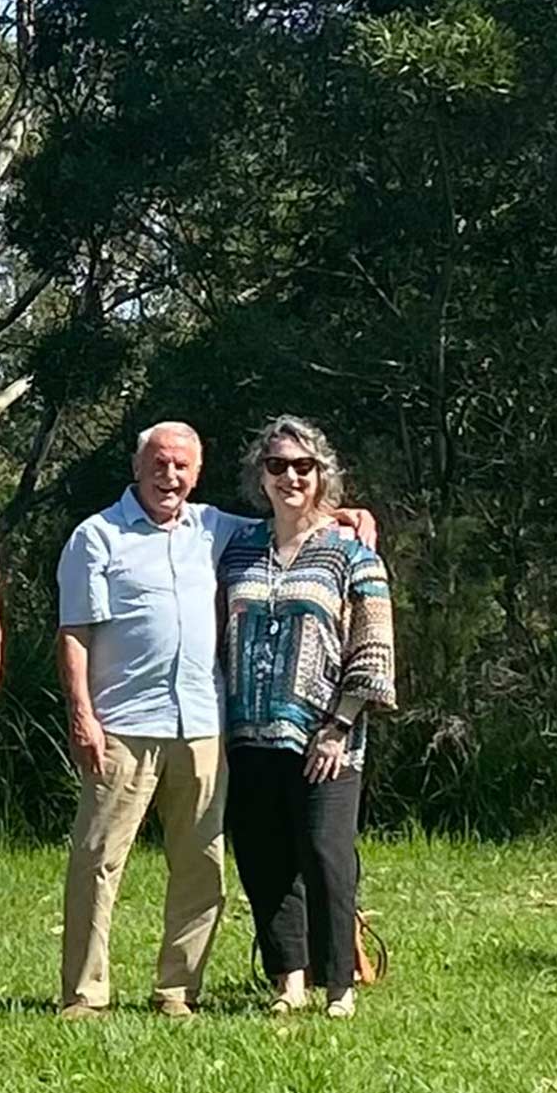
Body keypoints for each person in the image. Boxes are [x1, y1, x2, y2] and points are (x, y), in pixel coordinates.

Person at [56, 422, 372, 1021]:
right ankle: (84, 994)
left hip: (203, 724)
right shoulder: (96, 536)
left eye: (181, 465)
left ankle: (178, 989)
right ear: (137, 465)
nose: (168, 475)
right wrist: (82, 715)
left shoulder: (217, 530)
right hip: (123, 723)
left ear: (196, 474)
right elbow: (74, 633)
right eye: (158, 463)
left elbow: (296, 519)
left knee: (202, 865)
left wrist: (347, 513)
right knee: (97, 860)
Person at [217, 416, 395, 1020]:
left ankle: (339, 984)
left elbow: (373, 646)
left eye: (302, 466)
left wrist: (340, 725)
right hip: (249, 732)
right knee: (264, 859)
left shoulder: (351, 553)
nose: (290, 476)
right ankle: (287, 980)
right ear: (259, 477)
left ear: (323, 474)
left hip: (327, 737)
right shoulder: (239, 547)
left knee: (326, 855)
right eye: (277, 466)